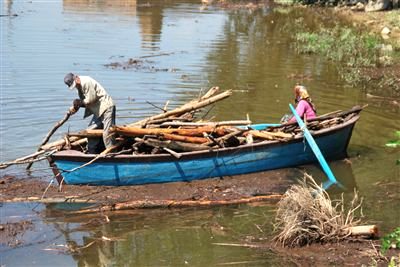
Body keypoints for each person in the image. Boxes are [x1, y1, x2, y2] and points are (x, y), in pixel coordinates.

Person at [64, 73, 116, 154]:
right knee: (90, 130)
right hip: (98, 110)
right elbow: (86, 103)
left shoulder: (86, 82)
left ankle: (112, 154)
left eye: (75, 84)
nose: (75, 86)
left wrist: (79, 103)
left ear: (76, 77)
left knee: (107, 133)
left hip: (106, 108)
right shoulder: (79, 87)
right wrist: (76, 107)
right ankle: (93, 152)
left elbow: (91, 99)